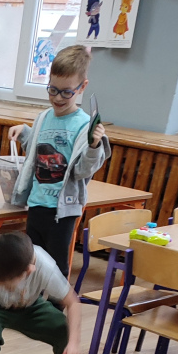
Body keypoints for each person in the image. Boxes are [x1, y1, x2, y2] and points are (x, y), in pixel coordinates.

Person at [7, 44, 109, 278]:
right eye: (52, 90)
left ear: (82, 87)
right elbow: (36, 151)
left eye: (66, 92)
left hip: (62, 210)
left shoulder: (83, 126)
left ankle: (55, 302)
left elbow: (82, 170)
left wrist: (94, 146)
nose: (57, 98)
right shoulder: (43, 117)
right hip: (37, 203)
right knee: (32, 263)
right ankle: (33, 300)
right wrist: (24, 132)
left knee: (54, 268)